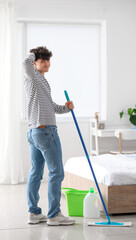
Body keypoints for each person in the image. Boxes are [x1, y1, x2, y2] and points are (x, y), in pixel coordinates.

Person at [23, 46, 75, 226]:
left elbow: (50, 106)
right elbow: (25, 62)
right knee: (57, 173)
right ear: (35, 62)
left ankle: (34, 213)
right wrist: (33, 53)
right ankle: (54, 214)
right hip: (45, 132)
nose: (46, 63)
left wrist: (65, 108)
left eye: (47, 60)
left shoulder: (42, 82)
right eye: (42, 60)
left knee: (36, 172)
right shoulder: (32, 76)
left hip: (35, 132)